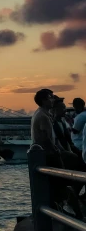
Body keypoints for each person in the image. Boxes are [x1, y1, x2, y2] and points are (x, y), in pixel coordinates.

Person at [31, 89, 82, 217]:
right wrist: (57, 153)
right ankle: (74, 211)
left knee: (57, 184)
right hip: (49, 155)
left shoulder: (41, 114)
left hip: (44, 154)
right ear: (43, 100)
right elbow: (48, 139)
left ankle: (61, 205)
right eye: (50, 98)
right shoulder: (43, 116)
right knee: (63, 181)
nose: (52, 100)